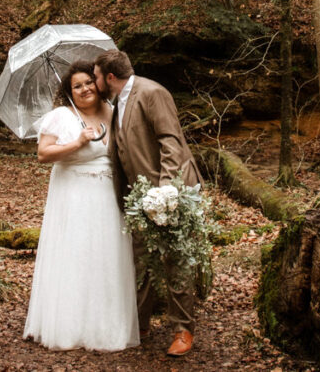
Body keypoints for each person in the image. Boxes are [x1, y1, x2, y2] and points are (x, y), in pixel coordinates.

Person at [23, 60, 140, 352]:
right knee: (76, 255)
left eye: (89, 82)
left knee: (106, 255)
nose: (85, 89)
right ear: (69, 91)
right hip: (73, 196)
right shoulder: (61, 116)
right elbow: (43, 154)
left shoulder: (112, 112)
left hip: (107, 196)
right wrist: (77, 142)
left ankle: (106, 326)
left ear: (98, 83)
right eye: (77, 86)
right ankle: (69, 326)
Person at [93, 49, 203, 357]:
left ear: (109, 77)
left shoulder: (152, 92)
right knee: (140, 261)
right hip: (139, 198)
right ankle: (139, 324)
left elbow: (171, 142)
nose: (94, 81)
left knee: (176, 262)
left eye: (97, 76)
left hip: (169, 193)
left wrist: (167, 190)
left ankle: (183, 330)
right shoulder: (117, 104)